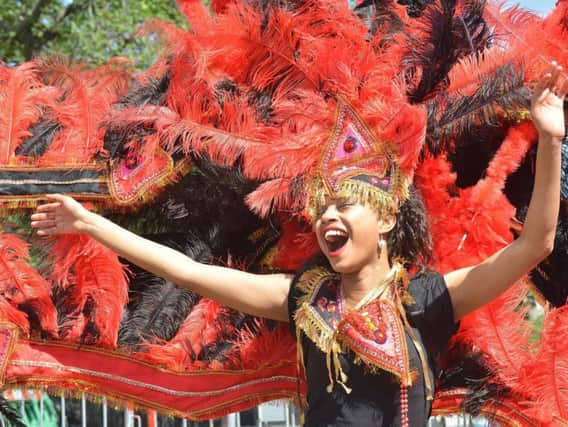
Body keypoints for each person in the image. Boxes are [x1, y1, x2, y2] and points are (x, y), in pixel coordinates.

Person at [31, 63, 565, 427]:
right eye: (322, 208)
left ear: (383, 221)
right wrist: (92, 226)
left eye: (345, 205)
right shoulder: (304, 298)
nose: (328, 217)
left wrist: (549, 138)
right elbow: (189, 273)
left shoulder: (423, 300)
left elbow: (535, 244)